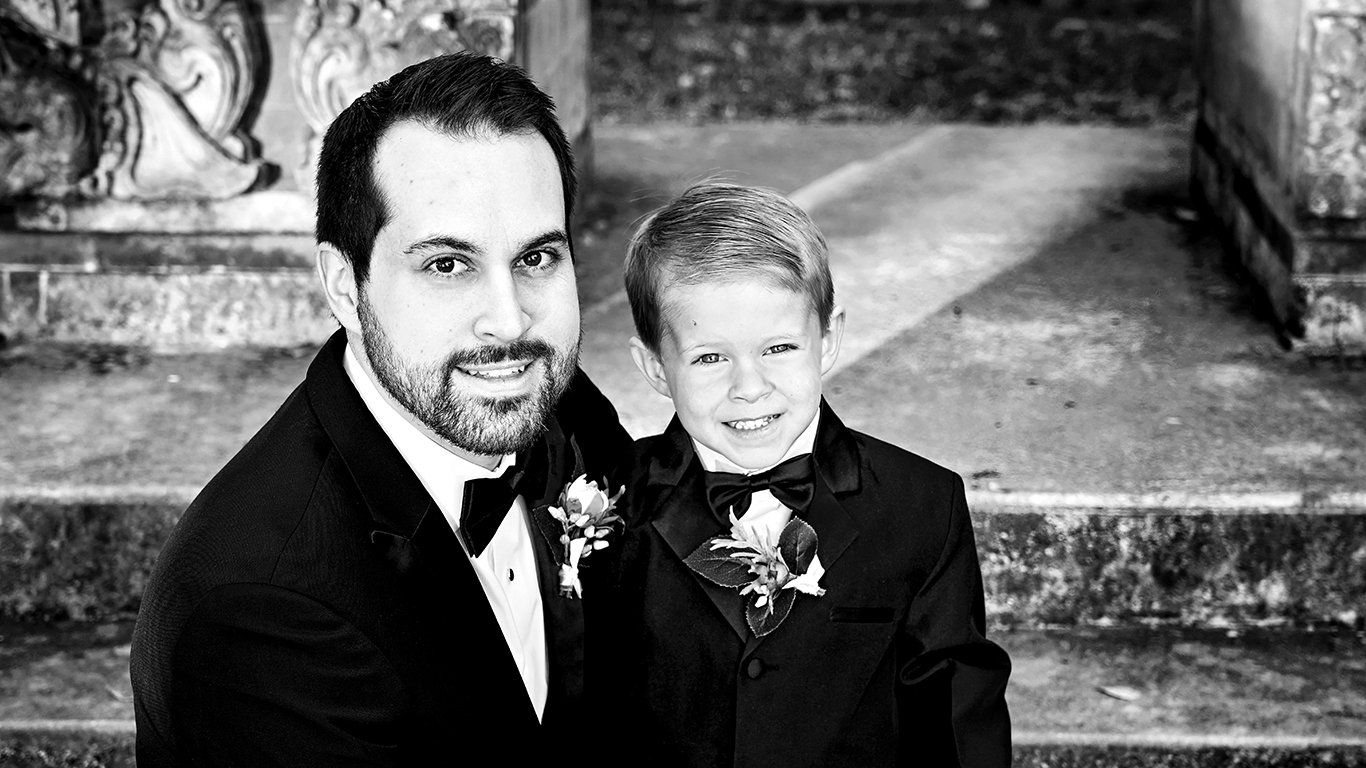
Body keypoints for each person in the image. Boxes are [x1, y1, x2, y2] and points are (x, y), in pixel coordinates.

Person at [130, 52, 632, 766]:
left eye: (536, 258)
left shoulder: (554, 404)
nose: (510, 320)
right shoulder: (259, 613)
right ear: (345, 287)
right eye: (447, 265)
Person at [604, 181, 1012, 767]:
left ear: (828, 340)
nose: (750, 387)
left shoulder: (922, 505)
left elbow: (955, 720)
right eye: (710, 357)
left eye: (779, 348)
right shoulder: (608, 503)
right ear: (655, 367)